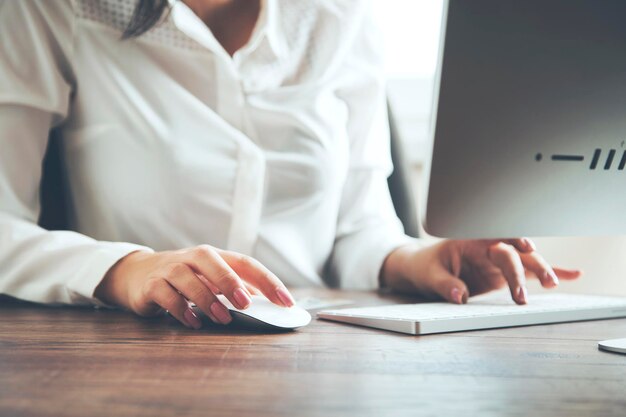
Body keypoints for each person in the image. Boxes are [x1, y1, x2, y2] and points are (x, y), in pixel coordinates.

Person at [0, 0, 580, 330]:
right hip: (137, 355)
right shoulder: (52, 11)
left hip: (318, 355)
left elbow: (358, 229)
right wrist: (127, 270)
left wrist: (424, 260)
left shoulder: (340, 18)